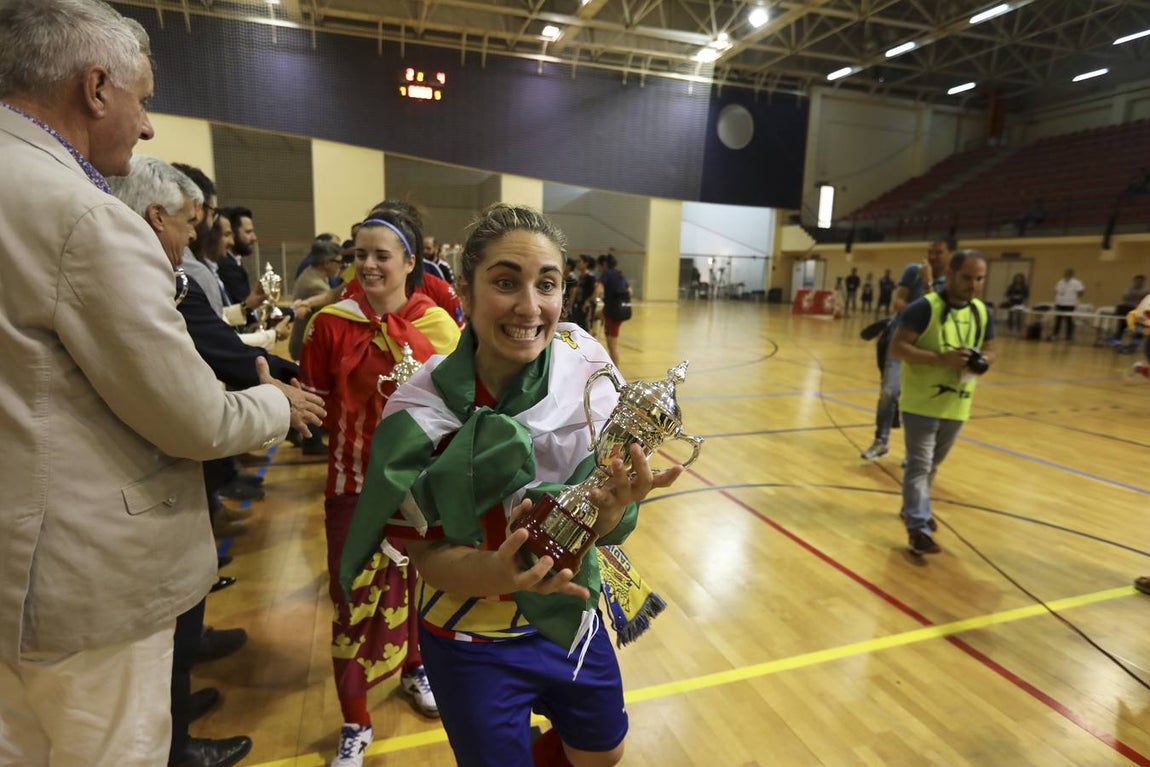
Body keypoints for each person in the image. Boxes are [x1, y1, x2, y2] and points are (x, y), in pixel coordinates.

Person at [0, 2, 324, 765]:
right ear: (95, 87)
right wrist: (275, 403)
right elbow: (194, 419)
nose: (147, 127)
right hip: (85, 587)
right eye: (143, 100)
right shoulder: (84, 217)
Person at [341, 204, 684, 767]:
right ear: (466, 294)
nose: (530, 307)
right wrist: (502, 574)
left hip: (571, 612)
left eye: (546, 284)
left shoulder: (588, 370)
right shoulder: (418, 411)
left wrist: (613, 506)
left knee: (604, 750)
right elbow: (425, 555)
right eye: (505, 282)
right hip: (467, 630)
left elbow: (592, 520)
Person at [298, 210, 461, 767]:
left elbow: (464, 404)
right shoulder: (328, 324)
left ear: (409, 263)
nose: (367, 265)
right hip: (350, 489)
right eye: (358, 254)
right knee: (351, 600)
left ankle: (415, 668)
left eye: (380, 255)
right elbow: (311, 402)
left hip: (419, 491)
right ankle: (354, 719)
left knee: (417, 584)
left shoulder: (437, 324)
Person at [890, 250, 995, 554]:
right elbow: (898, 348)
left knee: (931, 464)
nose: (973, 284)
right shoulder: (924, 308)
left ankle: (911, 508)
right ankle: (918, 527)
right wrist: (940, 359)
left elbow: (991, 348)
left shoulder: (982, 312)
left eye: (979, 279)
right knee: (920, 464)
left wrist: (983, 360)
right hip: (921, 402)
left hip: (958, 404)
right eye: (967, 277)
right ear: (950, 274)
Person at [860, 240, 951, 461]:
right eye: (930, 251)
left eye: (938, 252)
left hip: (928, 347)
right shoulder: (912, 270)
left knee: (921, 402)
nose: (932, 256)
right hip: (899, 342)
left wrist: (927, 282)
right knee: (889, 392)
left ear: (949, 254)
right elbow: (898, 300)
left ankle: (915, 452)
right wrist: (912, 307)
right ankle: (881, 441)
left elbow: (938, 311)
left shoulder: (950, 281)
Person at [594, 252, 632, 365]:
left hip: (613, 313)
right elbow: (630, 290)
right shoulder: (620, 275)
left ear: (604, 264)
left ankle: (617, 374)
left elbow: (598, 289)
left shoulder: (607, 273)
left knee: (612, 345)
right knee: (598, 315)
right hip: (616, 311)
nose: (599, 268)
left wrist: (595, 299)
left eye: (599, 265)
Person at [1107, 274, 1147, 350]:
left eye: (1140, 281)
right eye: (1136, 280)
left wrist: (1135, 296)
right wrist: (1138, 296)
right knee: (1121, 325)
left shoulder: (1146, 289)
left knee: (1138, 328)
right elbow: (1125, 296)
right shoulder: (1129, 288)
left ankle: (1134, 345)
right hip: (1128, 308)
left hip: (1139, 310)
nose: (1138, 282)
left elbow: (1144, 297)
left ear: (1143, 281)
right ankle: (1116, 343)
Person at [1049, 267, 1084, 342]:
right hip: (1059, 303)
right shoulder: (1060, 282)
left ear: (1072, 274)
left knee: (1069, 321)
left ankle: (1069, 336)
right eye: (1065, 273)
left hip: (1070, 304)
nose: (1067, 274)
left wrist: (1074, 298)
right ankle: (1055, 335)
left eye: (1069, 273)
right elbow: (1056, 291)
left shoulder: (1076, 282)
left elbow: (1081, 292)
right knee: (1058, 320)